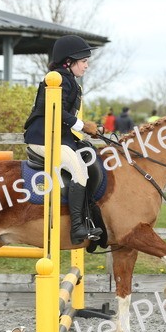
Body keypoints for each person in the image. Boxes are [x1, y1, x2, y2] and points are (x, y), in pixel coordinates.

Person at [23, 35, 102, 245]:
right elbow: (55, 112)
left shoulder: (69, 80)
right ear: (69, 61)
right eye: (83, 61)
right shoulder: (57, 79)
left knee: (88, 155)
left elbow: (65, 119)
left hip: (57, 137)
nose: (86, 65)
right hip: (43, 139)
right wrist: (83, 125)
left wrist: (91, 130)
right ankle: (77, 228)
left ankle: (88, 217)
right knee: (79, 170)